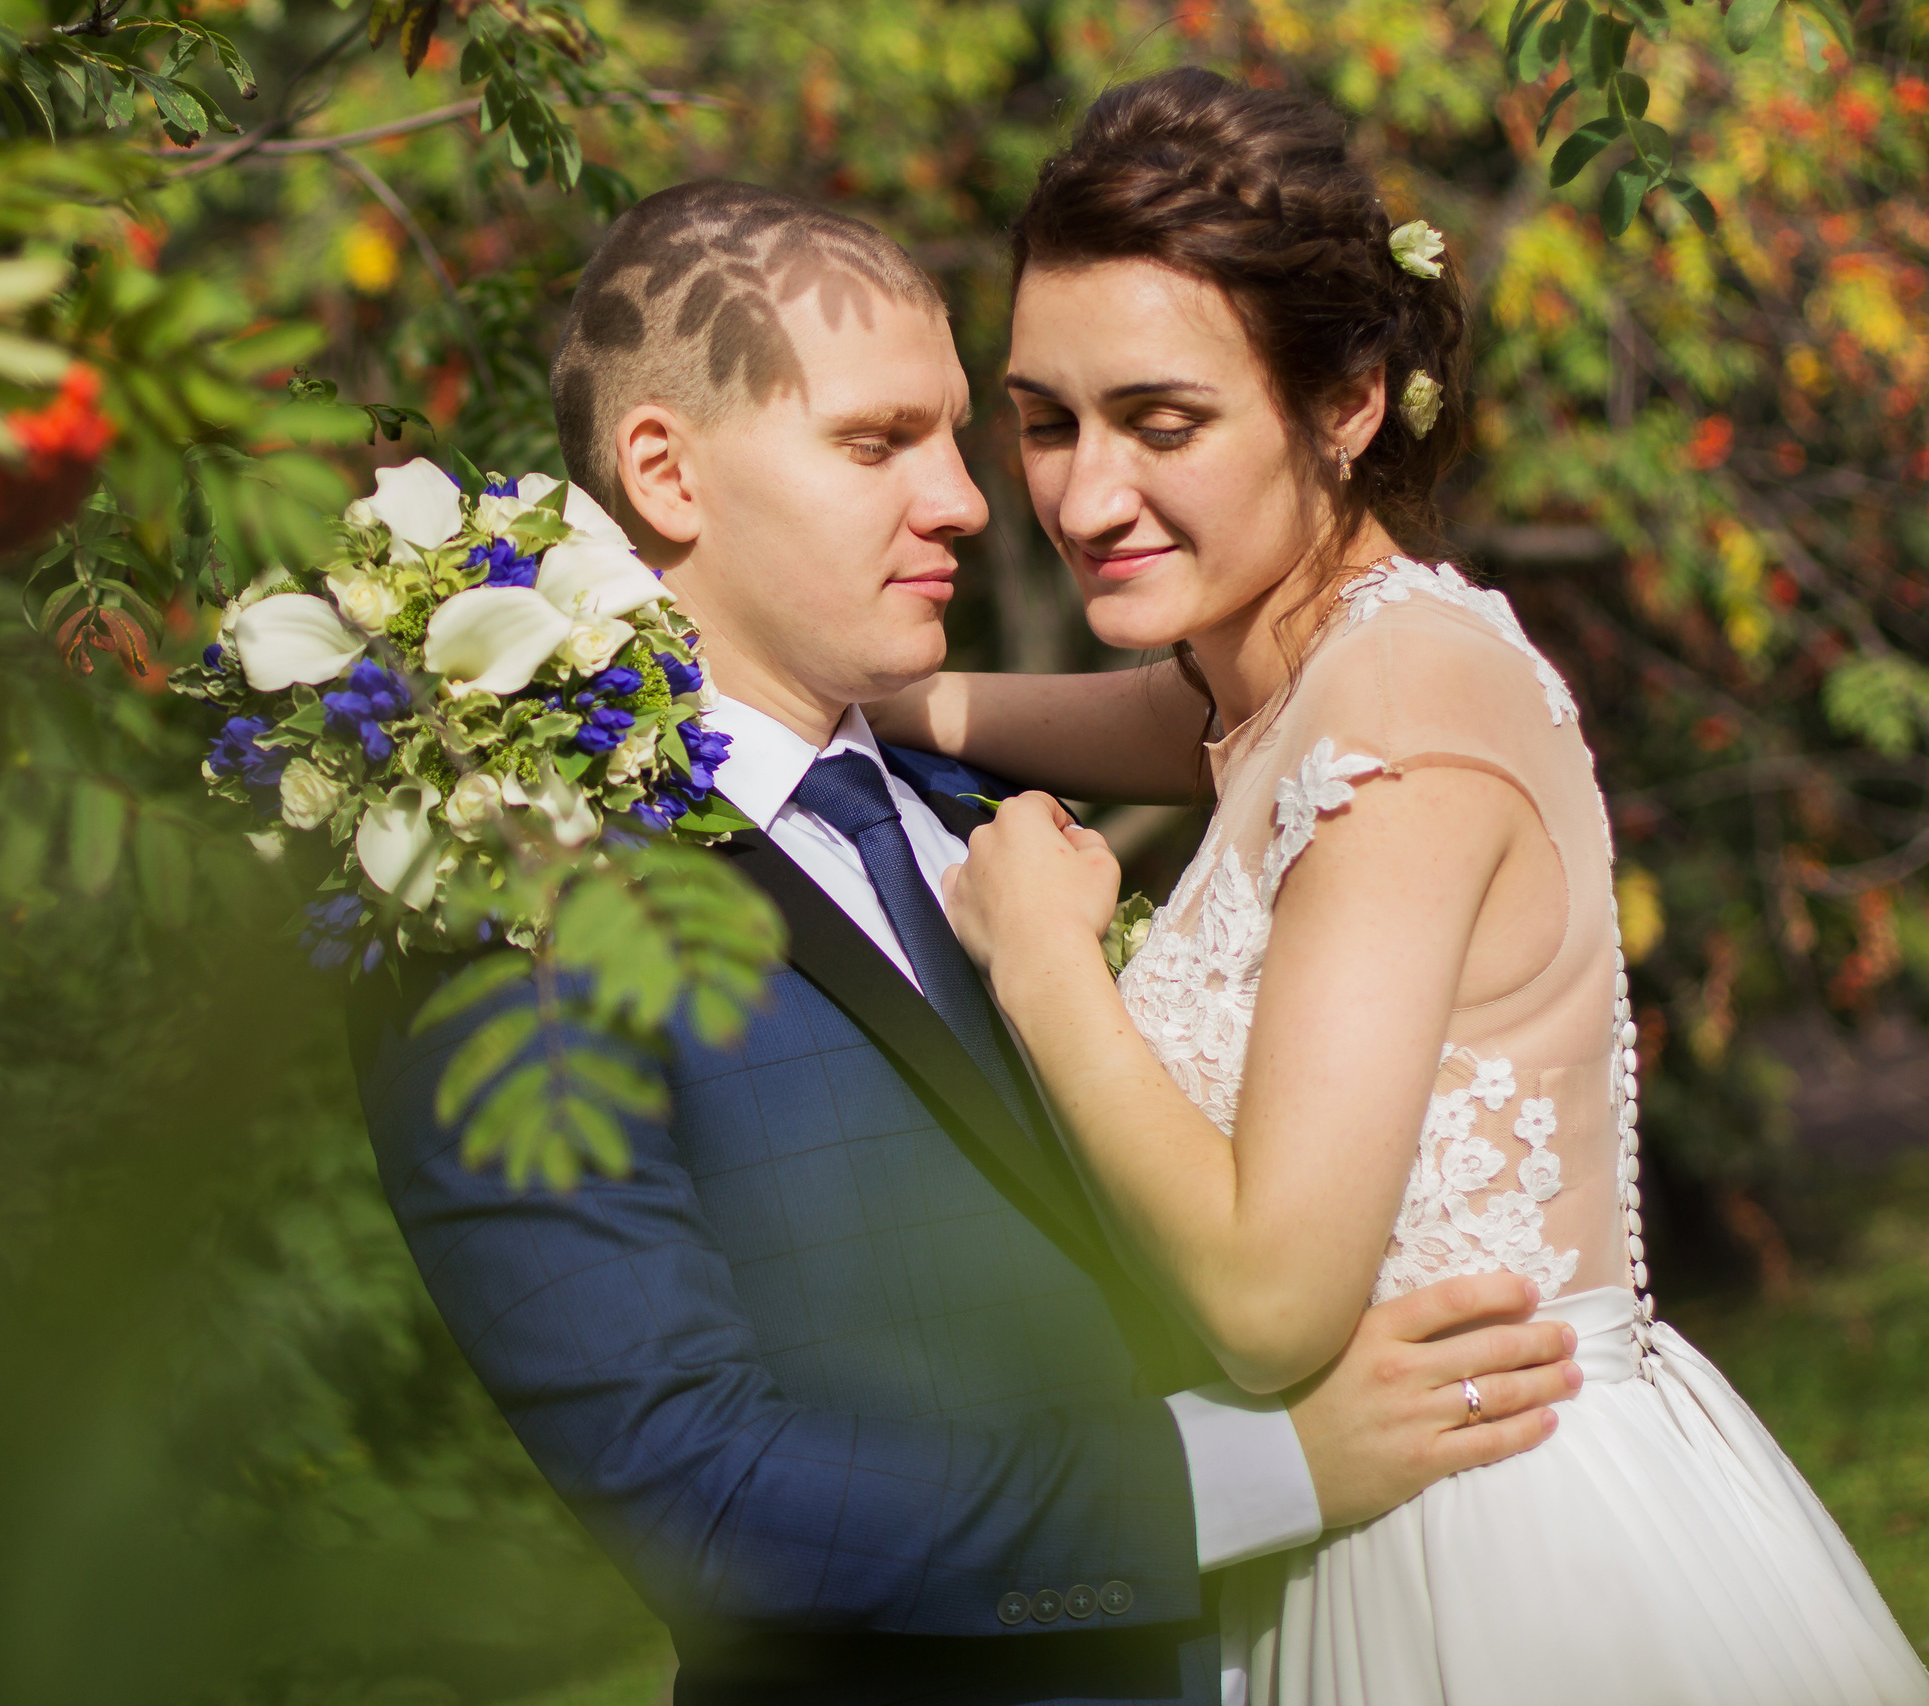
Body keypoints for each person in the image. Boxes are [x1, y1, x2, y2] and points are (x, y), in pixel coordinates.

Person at [349, 178, 1584, 1706]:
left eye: (955, 431)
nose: (972, 501)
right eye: (877, 444)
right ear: (667, 473)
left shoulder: (982, 802)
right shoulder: (505, 894)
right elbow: (698, 1486)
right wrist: (1242, 1477)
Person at [882, 69, 1929, 1706]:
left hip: (1501, 1562)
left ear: (1349, 398)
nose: (1085, 497)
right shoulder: (1304, 679)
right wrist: (844, 689)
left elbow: (1272, 1298)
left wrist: (1044, 966)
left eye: (1164, 424)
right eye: (1045, 419)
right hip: (1376, 1526)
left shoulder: (1406, 735)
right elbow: (1172, 731)